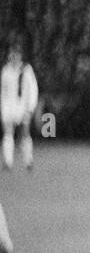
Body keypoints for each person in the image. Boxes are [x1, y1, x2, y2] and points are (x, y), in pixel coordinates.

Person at [1, 41, 39, 170]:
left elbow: (33, 89)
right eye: (11, 54)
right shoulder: (6, 70)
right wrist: (3, 108)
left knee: (25, 133)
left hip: (23, 107)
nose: (13, 57)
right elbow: (3, 91)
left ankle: (28, 161)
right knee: (8, 133)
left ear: (20, 56)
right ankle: (8, 162)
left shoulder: (27, 70)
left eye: (16, 54)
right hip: (8, 107)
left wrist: (31, 107)